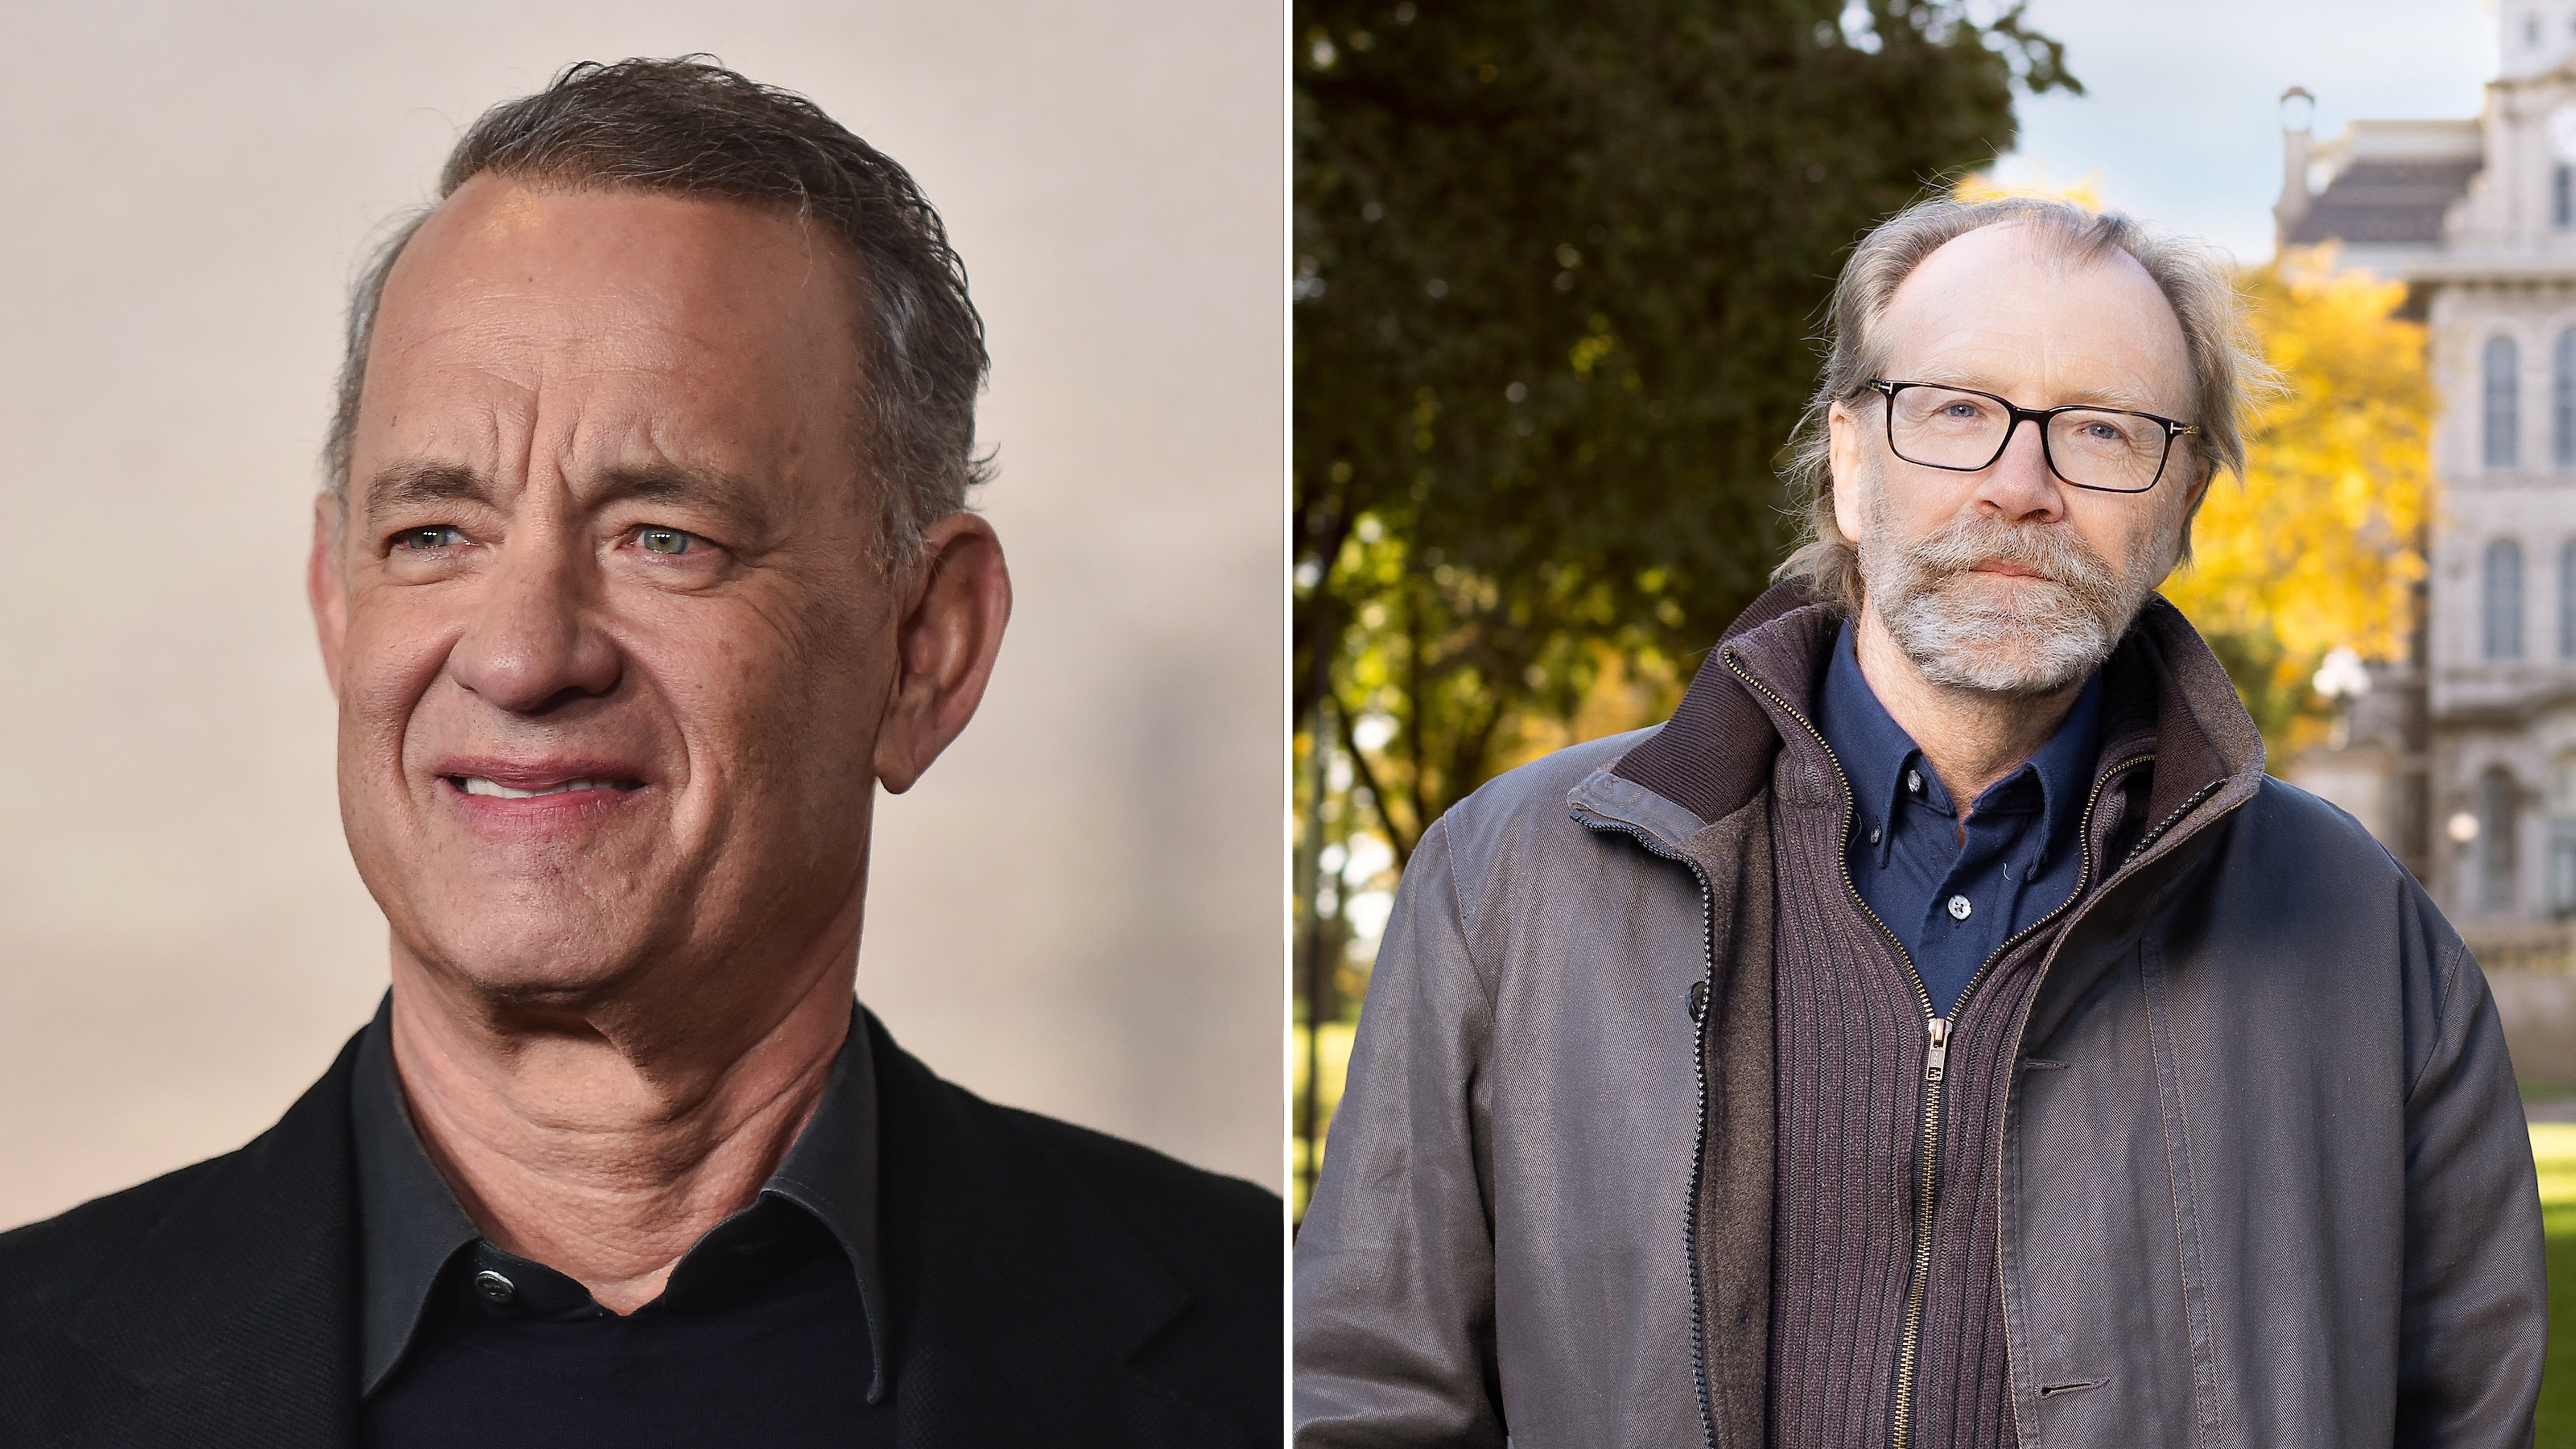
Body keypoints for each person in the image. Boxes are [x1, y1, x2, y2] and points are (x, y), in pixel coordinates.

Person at [0, 57, 1276, 1447]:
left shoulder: (1267, 1348)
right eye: (436, 535)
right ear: (336, 605)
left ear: (926, 647)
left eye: (664, 535)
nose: (521, 654)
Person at [1294, 196, 2545, 1447]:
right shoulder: (1507, 879)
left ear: (2181, 508)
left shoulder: (2367, 942)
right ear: (1848, 464)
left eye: (2101, 433)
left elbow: (2465, 1416)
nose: (2018, 487)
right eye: (1954, 413)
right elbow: (1365, 1388)